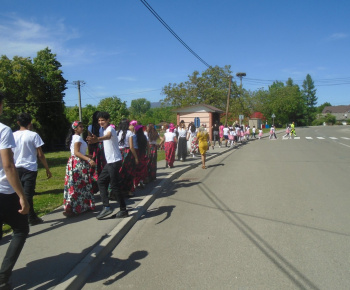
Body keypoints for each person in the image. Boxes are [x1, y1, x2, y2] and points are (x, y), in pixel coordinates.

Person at [0, 91, 30, 290]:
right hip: (3, 191)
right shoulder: (3, 130)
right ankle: (3, 278)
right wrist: (22, 196)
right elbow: (9, 166)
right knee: (20, 229)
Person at [12, 113, 52, 226]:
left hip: (16, 167)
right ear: (30, 123)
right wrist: (47, 168)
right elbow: (40, 154)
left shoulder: (12, 135)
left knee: (18, 193)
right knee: (28, 194)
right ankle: (30, 217)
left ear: (18, 123)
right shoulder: (34, 135)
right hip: (30, 168)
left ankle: (24, 216)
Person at [87, 112, 128, 219]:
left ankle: (123, 210)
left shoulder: (110, 129)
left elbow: (108, 136)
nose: (101, 122)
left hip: (115, 161)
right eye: (99, 120)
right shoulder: (102, 129)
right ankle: (107, 207)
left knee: (114, 186)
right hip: (110, 162)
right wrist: (93, 138)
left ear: (108, 120)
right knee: (101, 181)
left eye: (103, 120)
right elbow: (98, 135)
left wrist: (97, 139)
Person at [63, 121, 96, 216]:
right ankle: (74, 207)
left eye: (82, 126)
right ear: (75, 129)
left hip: (76, 161)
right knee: (79, 183)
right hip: (78, 162)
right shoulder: (77, 138)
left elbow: (77, 152)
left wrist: (87, 156)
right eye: (80, 127)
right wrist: (88, 160)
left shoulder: (76, 138)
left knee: (79, 183)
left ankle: (80, 206)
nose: (82, 128)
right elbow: (76, 152)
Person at [117, 119, 138, 197]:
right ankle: (129, 191)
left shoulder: (117, 132)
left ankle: (120, 190)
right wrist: (136, 157)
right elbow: (131, 147)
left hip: (119, 152)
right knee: (129, 172)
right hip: (127, 152)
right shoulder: (129, 133)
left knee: (120, 172)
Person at [88, 111, 106, 193]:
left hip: (93, 148)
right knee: (103, 166)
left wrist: (89, 152)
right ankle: (104, 185)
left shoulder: (90, 127)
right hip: (102, 147)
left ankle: (95, 186)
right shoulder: (103, 127)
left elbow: (89, 140)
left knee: (94, 168)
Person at [132, 125, 149, 190]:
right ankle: (141, 180)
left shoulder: (134, 137)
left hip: (136, 152)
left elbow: (132, 146)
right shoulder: (144, 137)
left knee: (135, 167)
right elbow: (148, 146)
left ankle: (135, 182)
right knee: (142, 167)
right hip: (142, 152)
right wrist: (148, 153)